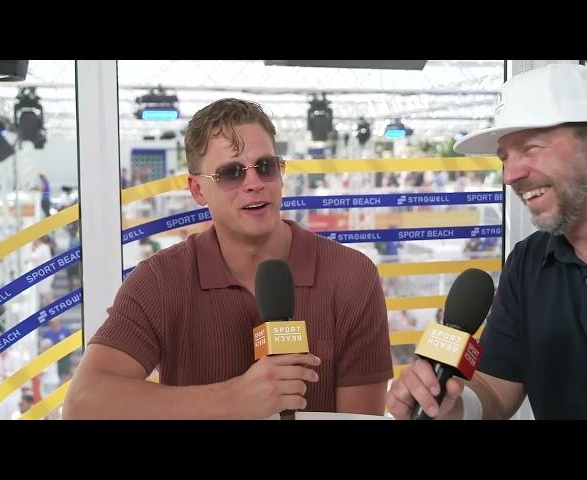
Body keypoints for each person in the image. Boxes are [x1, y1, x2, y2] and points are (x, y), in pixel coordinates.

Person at [63, 98, 393, 419]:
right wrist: (233, 400)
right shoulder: (161, 281)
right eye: (232, 173)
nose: (254, 184)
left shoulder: (351, 275)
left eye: (265, 167)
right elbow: (83, 404)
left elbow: (361, 416)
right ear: (196, 190)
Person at [386, 63, 587, 420]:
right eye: (504, 158)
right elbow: (495, 388)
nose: (510, 175)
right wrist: (453, 405)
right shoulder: (529, 261)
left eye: (530, 148)